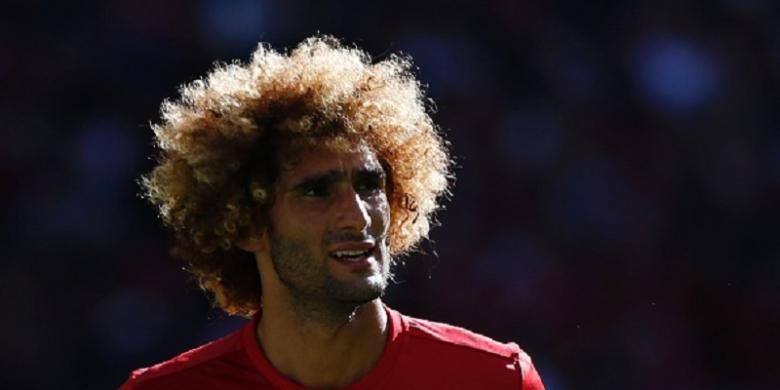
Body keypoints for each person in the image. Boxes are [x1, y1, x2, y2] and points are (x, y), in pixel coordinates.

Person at [121, 35, 544, 389]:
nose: (357, 216)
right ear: (247, 225)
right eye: (316, 191)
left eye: (369, 185)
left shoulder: (494, 379)